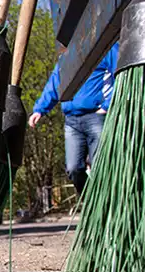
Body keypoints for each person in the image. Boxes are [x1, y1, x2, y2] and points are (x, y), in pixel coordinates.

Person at [29, 42, 119, 196]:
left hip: (96, 117)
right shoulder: (67, 56)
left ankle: (105, 204)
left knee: (101, 167)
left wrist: (107, 106)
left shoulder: (106, 47)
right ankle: (90, 200)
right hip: (72, 121)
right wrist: (39, 110)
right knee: (73, 168)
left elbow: (120, 74)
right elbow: (55, 83)